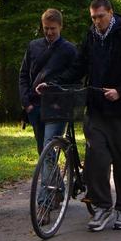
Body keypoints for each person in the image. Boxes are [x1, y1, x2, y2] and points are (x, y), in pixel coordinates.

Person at [39, 0, 121, 232]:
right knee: (96, 158)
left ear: (111, 13)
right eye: (94, 17)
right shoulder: (91, 38)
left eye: (101, 16)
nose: (97, 21)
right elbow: (78, 67)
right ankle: (102, 206)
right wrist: (53, 83)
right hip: (97, 108)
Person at [19, 9, 79, 155]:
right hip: (35, 106)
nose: (49, 32)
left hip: (58, 106)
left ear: (60, 27)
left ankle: (47, 179)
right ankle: (55, 179)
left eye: (53, 28)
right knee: (43, 151)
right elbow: (23, 75)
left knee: (48, 150)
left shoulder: (69, 50)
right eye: (46, 28)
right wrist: (26, 103)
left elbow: (75, 76)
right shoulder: (33, 46)